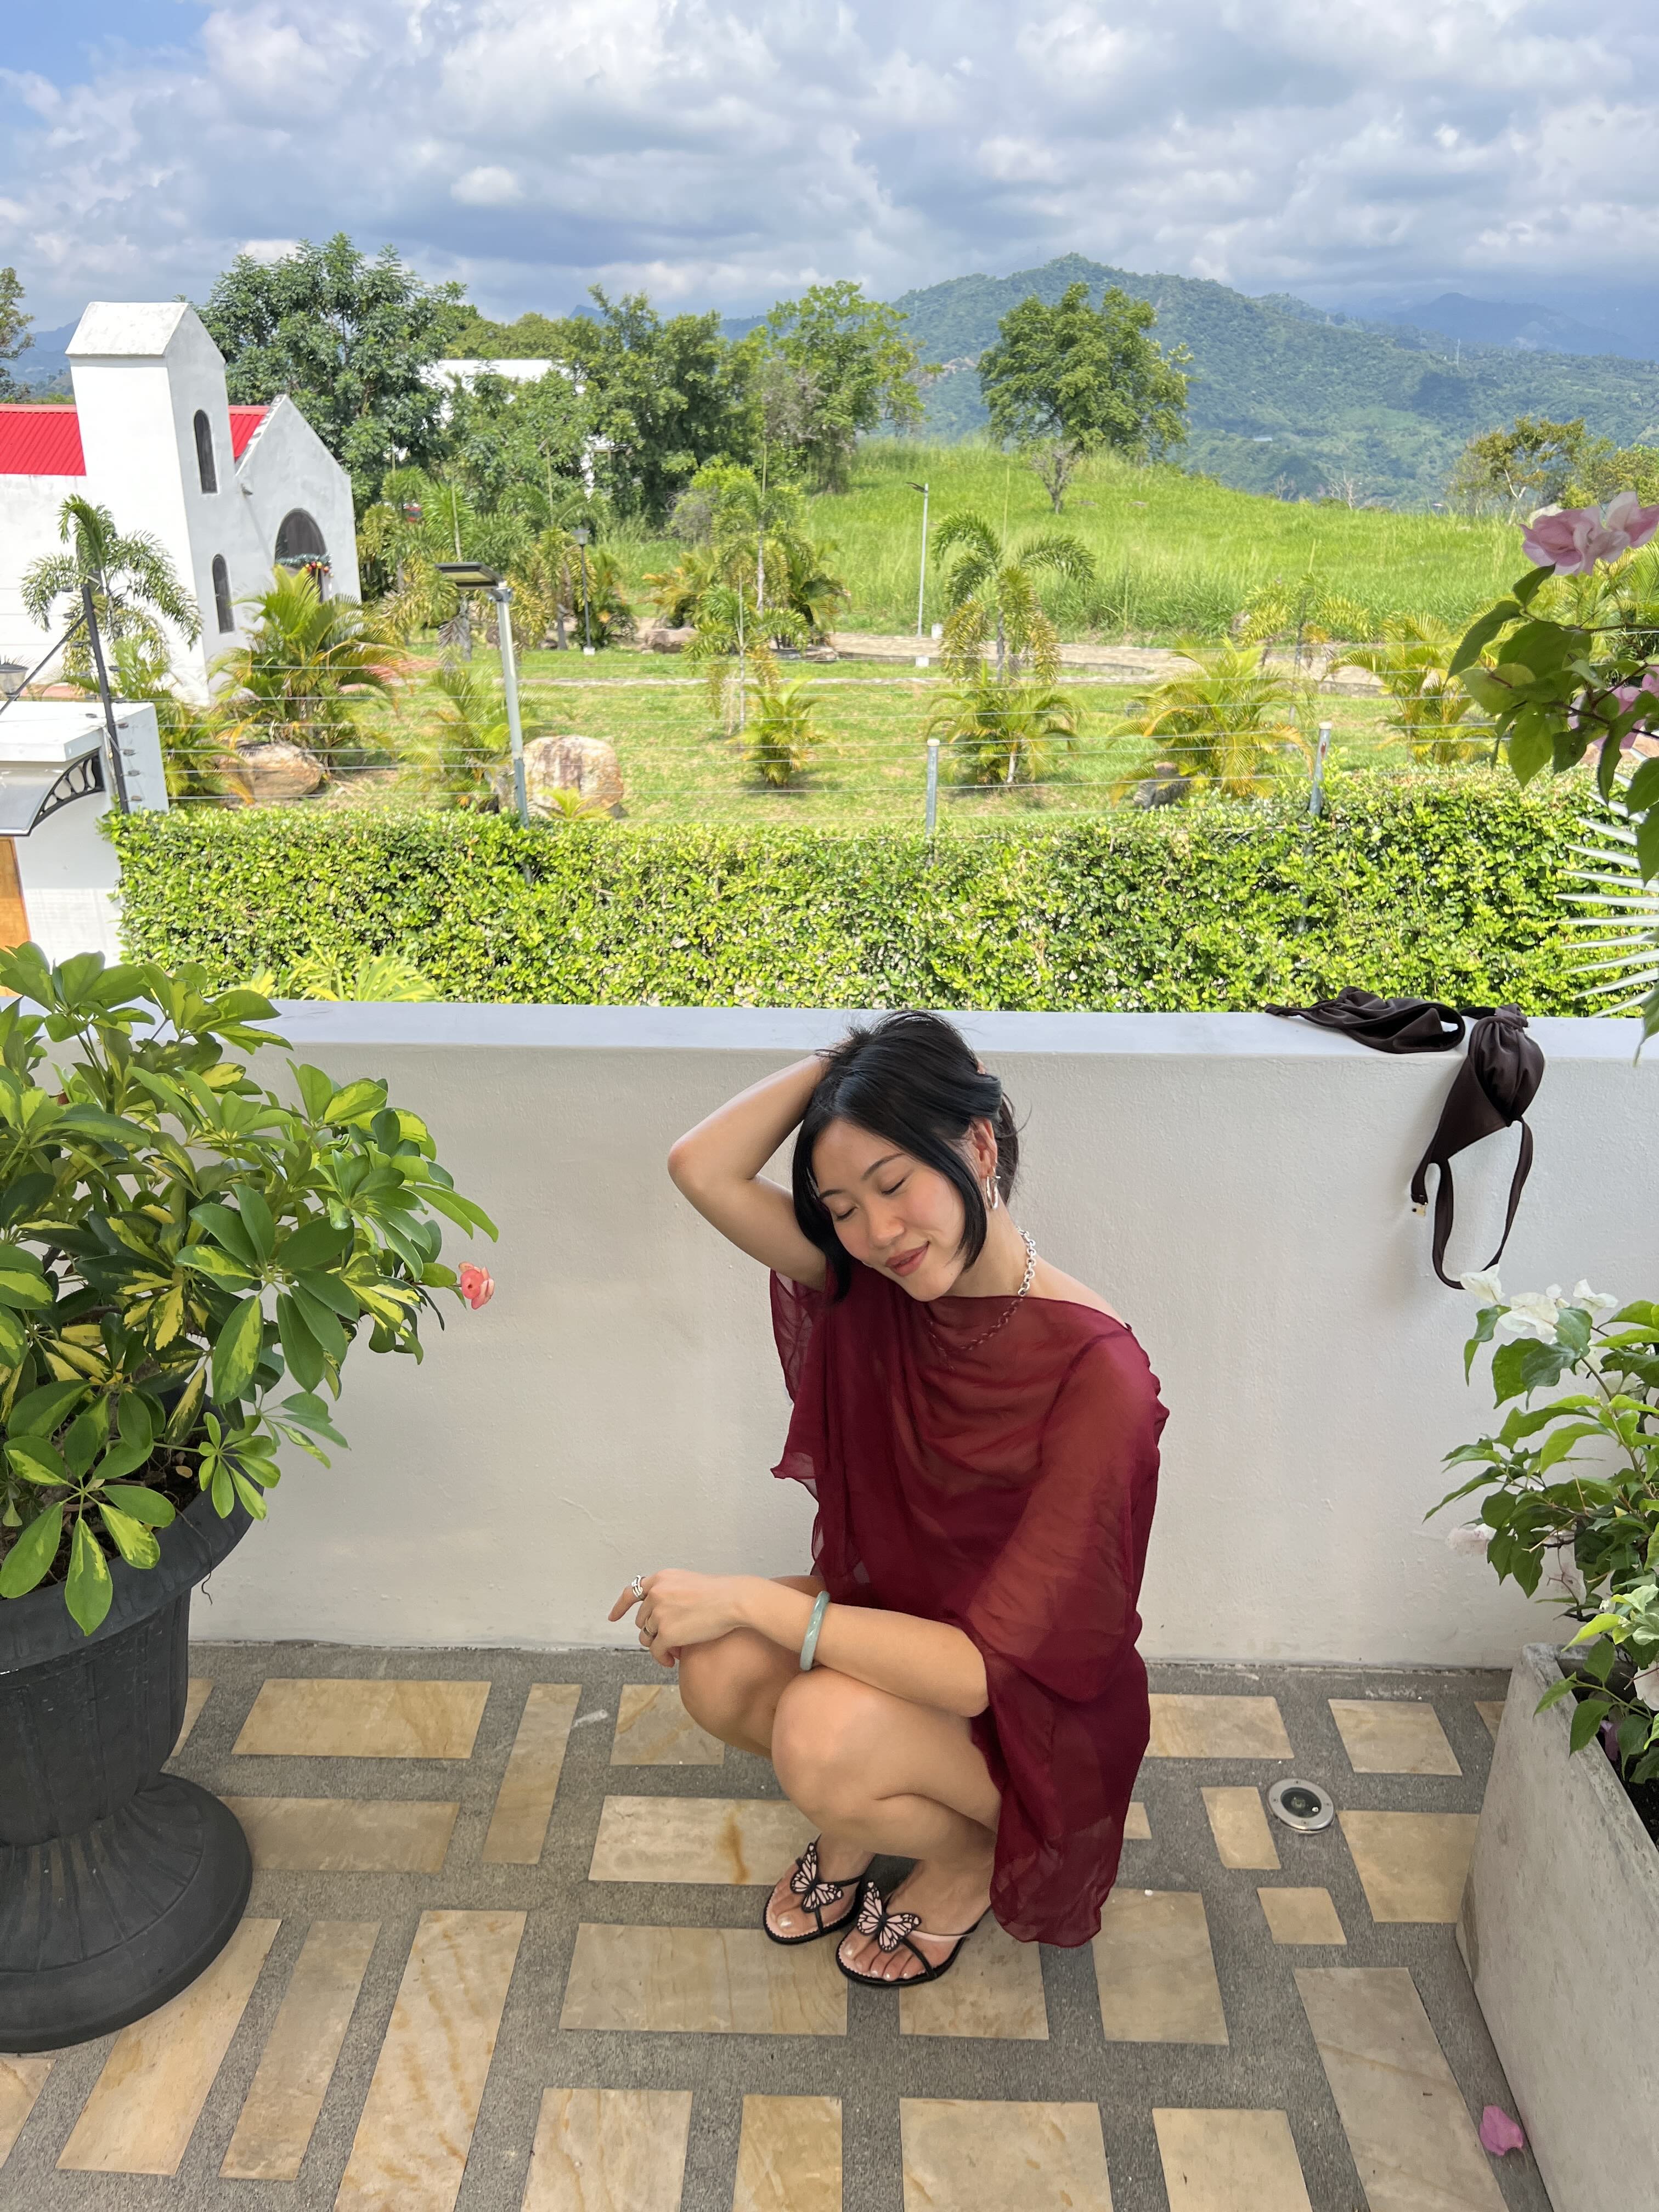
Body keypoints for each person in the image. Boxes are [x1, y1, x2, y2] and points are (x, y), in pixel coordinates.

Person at [610, 1010, 1165, 1987]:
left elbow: (980, 1675)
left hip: (1027, 1708)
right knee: (717, 1669)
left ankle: (962, 1859)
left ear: (979, 1144)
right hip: (904, 1629)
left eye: (894, 1184)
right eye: (842, 1206)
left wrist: (749, 1595)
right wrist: (854, 1061)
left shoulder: (1097, 1375)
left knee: (816, 1731)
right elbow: (701, 1167)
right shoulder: (871, 1286)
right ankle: (860, 1821)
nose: (877, 1233)